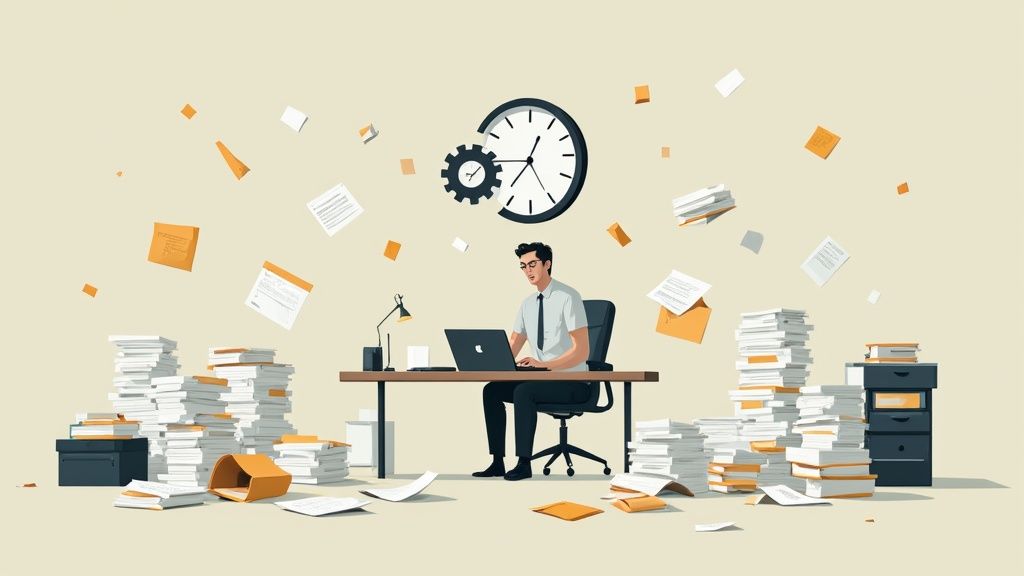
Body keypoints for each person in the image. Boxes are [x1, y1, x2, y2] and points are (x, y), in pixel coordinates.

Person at [473, 242, 591, 481]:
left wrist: (545, 365)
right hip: (543, 377)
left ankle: (524, 464)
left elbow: (582, 352)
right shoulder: (527, 304)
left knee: (524, 392)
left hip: (572, 381)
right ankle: (497, 462)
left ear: (547, 264)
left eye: (533, 264)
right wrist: (494, 362)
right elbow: (514, 343)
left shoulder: (569, 297)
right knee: (492, 390)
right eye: (523, 266)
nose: (528, 271)